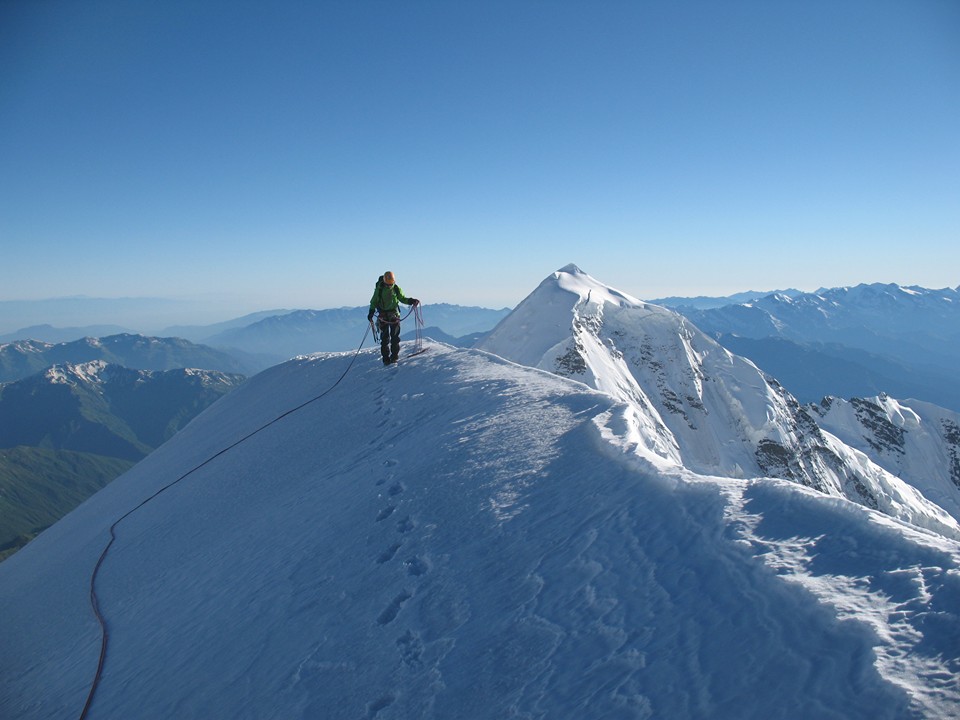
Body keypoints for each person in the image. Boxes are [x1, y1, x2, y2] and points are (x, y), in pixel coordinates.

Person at [368, 271, 419, 365]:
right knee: (385, 339)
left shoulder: (396, 288)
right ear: (384, 282)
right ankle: (386, 359)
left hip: (393, 315)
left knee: (394, 338)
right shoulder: (379, 289)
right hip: (385, 315)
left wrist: (411, 301)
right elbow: (373, 302)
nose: (389, 286)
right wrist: (371, 312)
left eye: (391, 284)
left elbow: (402, 298)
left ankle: (394, 357)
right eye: (388, 284)